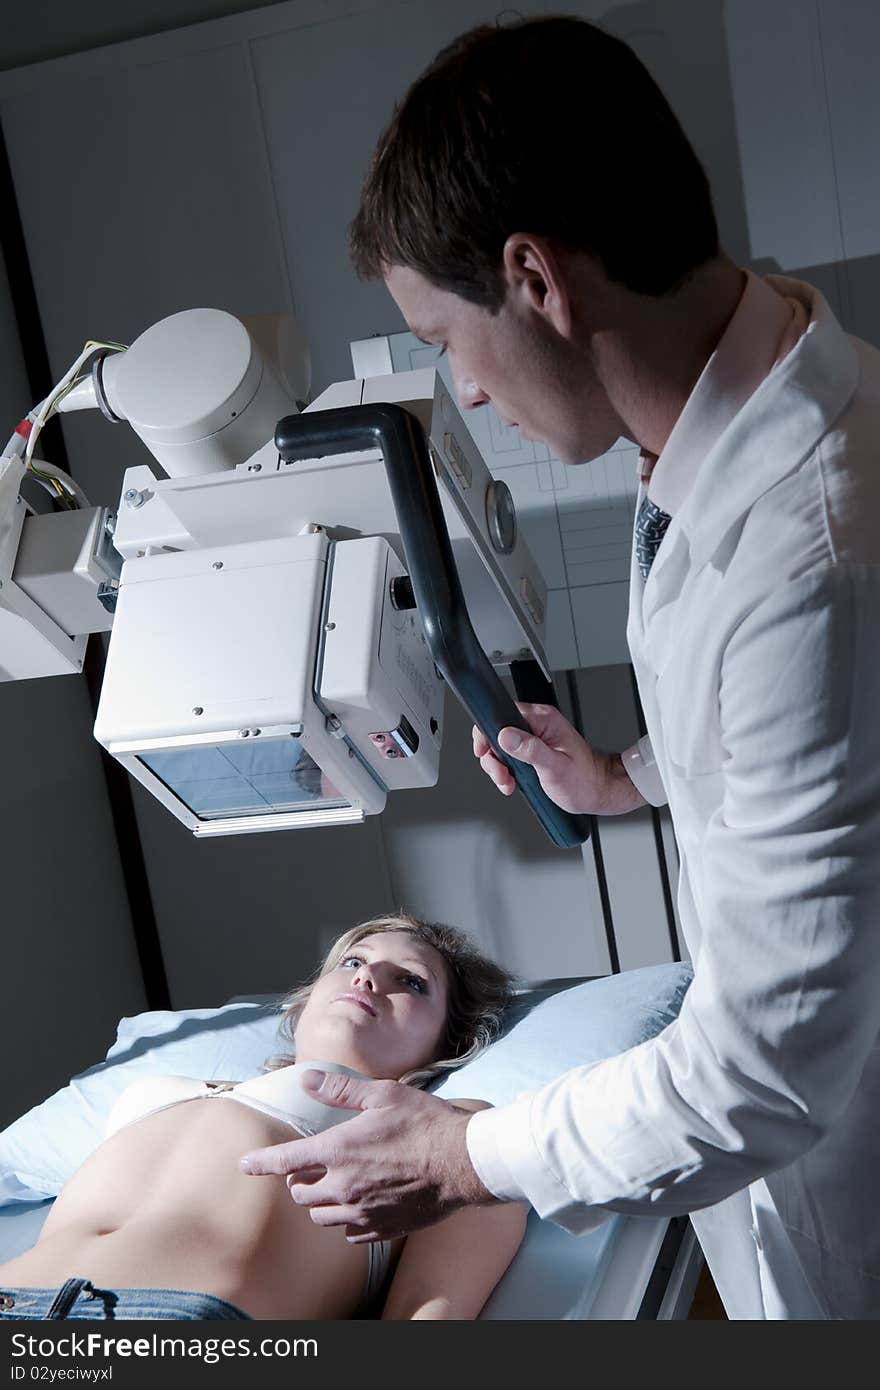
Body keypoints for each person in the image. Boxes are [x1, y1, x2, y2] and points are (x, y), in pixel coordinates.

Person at [239, 16, 880, 1320]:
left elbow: (766, 1070)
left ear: (535, 277)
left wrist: (457, 1150)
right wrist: (621, 778)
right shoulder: (728, 425)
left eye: (442, 337)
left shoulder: (806, 535)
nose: (464, 391)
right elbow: (806, 736)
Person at [0, 914, 525, 1320]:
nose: (366, 978)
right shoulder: (159, 1088)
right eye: (352, 962)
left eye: (411, 982)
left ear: (449, 1040)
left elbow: (430, 1313)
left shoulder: (445, 1128)